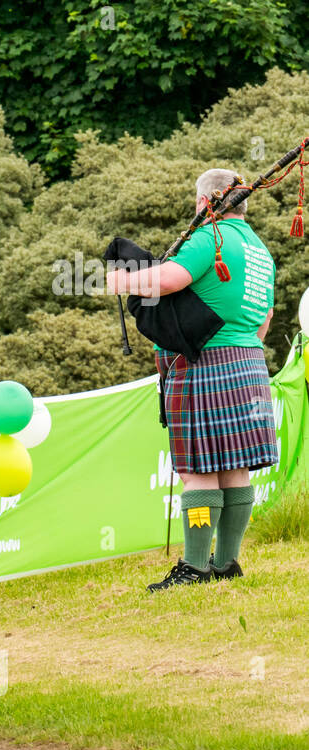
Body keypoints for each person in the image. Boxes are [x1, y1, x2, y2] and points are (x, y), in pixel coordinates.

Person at [106, 168, 277, 590]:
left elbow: (168, 279)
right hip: (250, 362)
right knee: (236, 467)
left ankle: (196, 568)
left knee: (198, 470)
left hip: (206, 364)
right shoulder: (260, 251)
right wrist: (241, 348)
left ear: (206, 202)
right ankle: (227, 562)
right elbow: (267, 317)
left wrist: (122, 280)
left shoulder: (210, 237)